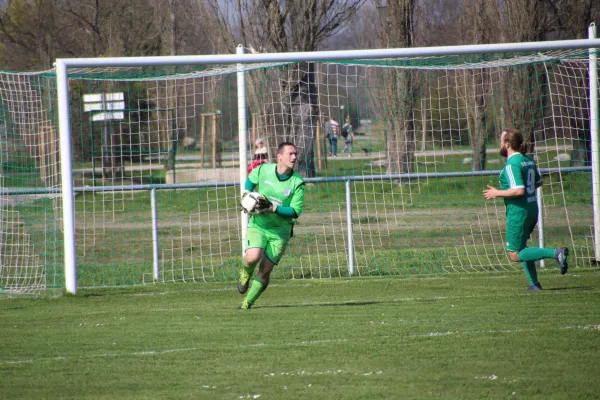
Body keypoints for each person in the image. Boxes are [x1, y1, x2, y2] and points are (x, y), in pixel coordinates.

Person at [483, 128, 569, 291]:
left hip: (518, 212)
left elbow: (518, 190)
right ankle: (534, 284)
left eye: (501, 141)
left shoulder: (511, 164)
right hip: (531, 208)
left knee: (515, 254)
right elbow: (538, 182)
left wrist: (497, 192)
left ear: (507, 144)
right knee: (522, 248)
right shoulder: (528, 161)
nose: (500, 144)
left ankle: (556, 253)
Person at [238, 142, 305, 309]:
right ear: (279, 156)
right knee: (253, 257)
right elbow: (249, 182)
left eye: (295, 154)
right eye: (290, 154)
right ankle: (245, 273)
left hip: (280, 232)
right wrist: (247, 196)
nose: (294, 157)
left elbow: (295, 211)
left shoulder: (297, 183)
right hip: (259, 225)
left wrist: (274, 208)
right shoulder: (263, 170)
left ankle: (247, 303)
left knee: (265, 270)